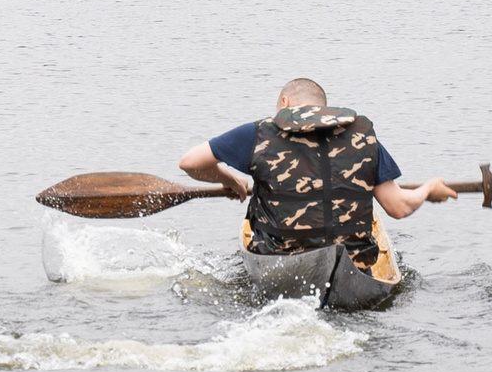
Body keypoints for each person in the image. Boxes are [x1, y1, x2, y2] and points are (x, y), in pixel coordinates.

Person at [176, 77, 455, 273]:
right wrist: (428, 189)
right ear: (323, 108)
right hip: (351, 264)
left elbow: (190, 163)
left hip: (279, 263)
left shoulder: (257, 133)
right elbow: (398, 206)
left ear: (285, 102)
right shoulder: (362, 136)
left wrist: (230, 180)